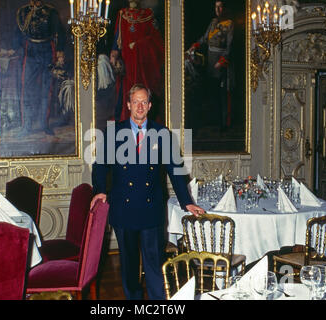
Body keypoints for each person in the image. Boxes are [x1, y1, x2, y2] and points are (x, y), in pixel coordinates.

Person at [90, 83, 205, 300]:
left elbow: (175, 168)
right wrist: (100, 190)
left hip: (151, 210)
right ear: (128, 105)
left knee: (154, 266)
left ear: (150, 105)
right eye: (136, 102)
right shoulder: (113, 132)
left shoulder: (162, 133)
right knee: (130, 268)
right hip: (123, 209)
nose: (140, 106)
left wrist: (185, 201)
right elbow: (100, 165)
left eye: (144, 102)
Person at [15, 0, 65, 137]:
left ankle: (44, 124)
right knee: (27, 89)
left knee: (46, 88)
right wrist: (16, 49)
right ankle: (26, 126)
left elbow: (59, 32)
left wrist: (60, 52)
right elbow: (18, 34)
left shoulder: (51, 11)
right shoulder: (23, 12)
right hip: (30, 50)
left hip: (47, 50)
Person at [109, 0, 165, 124]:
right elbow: (117, 41)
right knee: (126, 93)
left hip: (145, 64)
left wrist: (138, 45)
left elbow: (155, 40)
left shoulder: (148, 14)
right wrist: (114, 55)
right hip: (128, 63)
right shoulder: (122, 14)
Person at [187, 0, 234, 132]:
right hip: (210, 61)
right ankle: (212, 122)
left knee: (222, 94)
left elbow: (230, 46)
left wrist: (223, 60)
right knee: (211, 93)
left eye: (220, 7)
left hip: (221, 63)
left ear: (224, 8)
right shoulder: (213, 22)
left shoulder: (230, 24)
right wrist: (195, 45)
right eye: (216, 7)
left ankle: (223, 124)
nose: (218, 10)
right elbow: (205, 38)